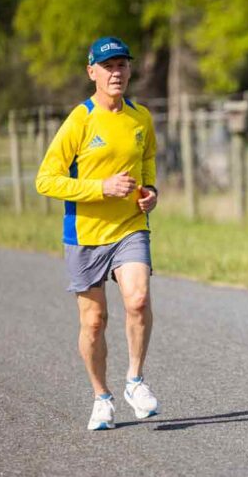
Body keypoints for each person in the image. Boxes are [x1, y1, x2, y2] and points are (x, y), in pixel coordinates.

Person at [36, 36, 160, 430]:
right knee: (94, 322)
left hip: (129, 227)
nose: (116, 72)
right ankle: (101, 397)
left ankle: (135, 382)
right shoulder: (80, 120)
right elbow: (46, 180)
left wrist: (151, 192)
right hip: (86, 234)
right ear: (92, 73)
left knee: (137, 300)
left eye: (122, 65)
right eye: (108, 67)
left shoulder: (140, 117)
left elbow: (148, 161)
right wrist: (100, 188)